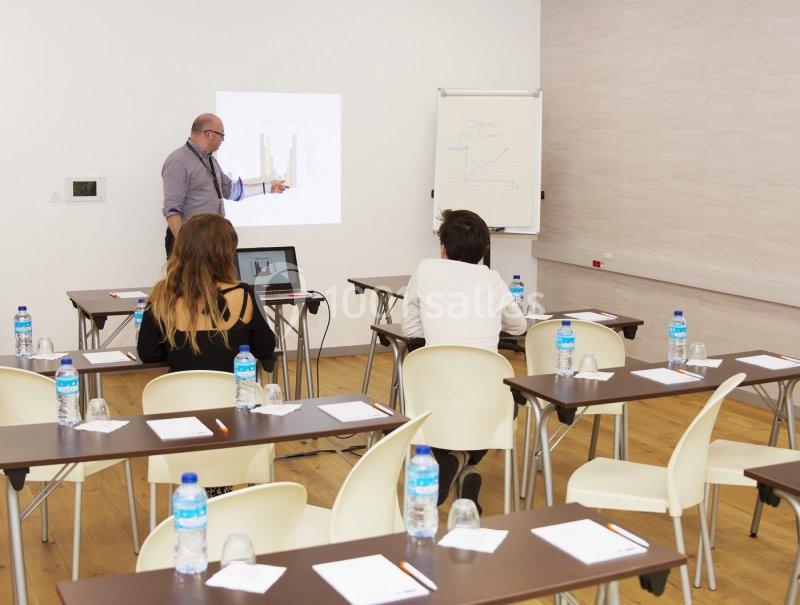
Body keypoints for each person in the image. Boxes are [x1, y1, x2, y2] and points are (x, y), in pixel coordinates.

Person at [137, 213, 276, 496]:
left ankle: (204, 490)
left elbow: (148, 354)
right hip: (236, 421)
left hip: (177, 422)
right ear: (225, 253)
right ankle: (221, 489)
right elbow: (265, 348)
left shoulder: (162, 295)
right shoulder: (244, 295)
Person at [402, 209, 527, 513]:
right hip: (486, 406)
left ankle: (454, 460)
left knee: (446, 405)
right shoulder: (492, 280)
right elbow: (519, 327)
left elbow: (410, 330)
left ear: (442, 247)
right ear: (484, 251)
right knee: (505, 405)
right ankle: (463, 461)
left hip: (433, 399)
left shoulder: (426, 270)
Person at [161, 113, 289, 257]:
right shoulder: (178, 162)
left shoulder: (211, 161)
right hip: (190, 243)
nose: (222, 139)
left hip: (211, 241)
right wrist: (184, 247)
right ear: (208, 134)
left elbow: (231, 191)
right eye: (221, 135)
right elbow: (172, 210)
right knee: (188, 281)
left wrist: (267, 187)